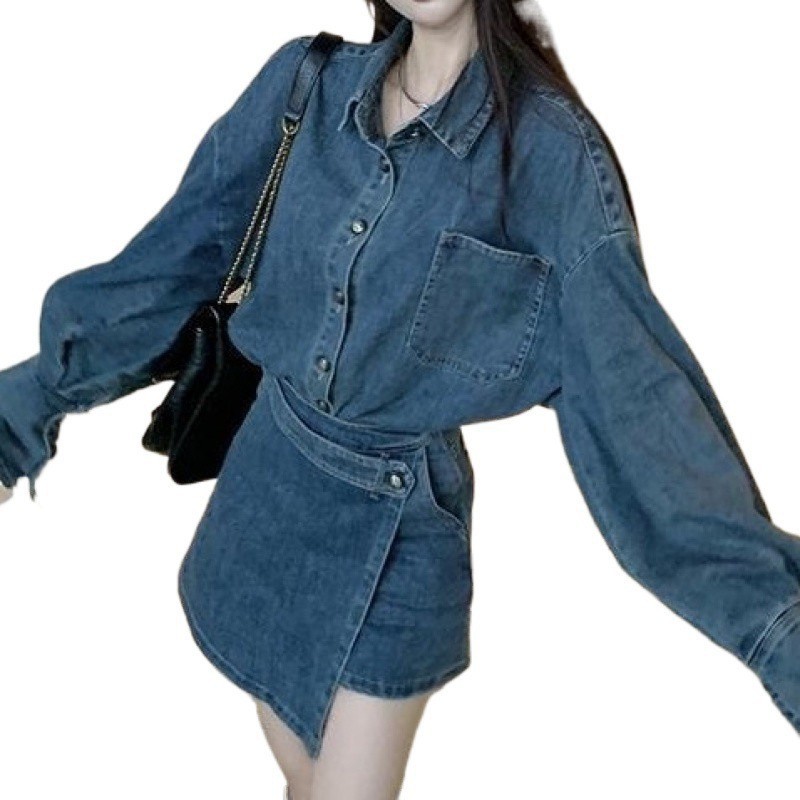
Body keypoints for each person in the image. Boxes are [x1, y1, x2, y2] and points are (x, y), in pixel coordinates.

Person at [2, 1, 799, 797]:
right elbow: (168, 267)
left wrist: (781, 632)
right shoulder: (307, 87)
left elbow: (640, 406)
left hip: (398, 528)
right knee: (305, 783)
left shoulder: (551, 156)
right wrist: (24, 408)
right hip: (262, 500)